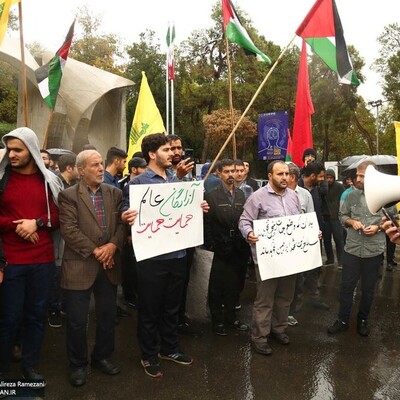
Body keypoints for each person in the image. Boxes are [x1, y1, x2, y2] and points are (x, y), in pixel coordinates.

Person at [121, 133, 208, 378]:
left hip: (178, 255)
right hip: (151, 258)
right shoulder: (138, 184)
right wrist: (125, 216)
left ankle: (169, 348)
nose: (173, 154)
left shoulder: (177, 179)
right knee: (150, 308)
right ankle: (148, 354)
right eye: (167, 150)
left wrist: (198, 206)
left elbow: (186, 208)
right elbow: (124, 209)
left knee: (172, 306)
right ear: (152, 154)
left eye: (172, 149)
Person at [0, 127, 62, 384]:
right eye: (9, 149)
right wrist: (17, 225)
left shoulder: (50, 181)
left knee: (36, 317)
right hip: (10, 262)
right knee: (8, 318)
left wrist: (37, 222)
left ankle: (30, 366)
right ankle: (2, 370)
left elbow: (59, 216)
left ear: (31, 151)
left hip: (43, 262)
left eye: (18, 150)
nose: (11, 154)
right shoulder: (2, 179)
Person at [59, 150, 126, 386]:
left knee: (107, 316)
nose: (100, 168)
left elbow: (122, 225)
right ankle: (77, 365)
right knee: (77, 320)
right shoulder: (68, 196)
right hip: (80, 265)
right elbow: (69, 230)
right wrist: (99, 250)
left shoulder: (115, 193)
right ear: (81, 170)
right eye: (94, 165)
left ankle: (102, 357)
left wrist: (112, 246)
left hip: (109, 265)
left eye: (101, 164)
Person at [239, 160, 302, 355]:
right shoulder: (257, 197)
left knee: (285, 297)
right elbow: (244, 221)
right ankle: (259, 337)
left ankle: (279, 329)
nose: (285, 177)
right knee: (265, 300)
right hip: (267, 260)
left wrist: (310, 233)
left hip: (289, 258)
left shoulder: (294, 197)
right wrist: (249, 233)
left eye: (287, 174)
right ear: (270, 176)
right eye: (280, 174)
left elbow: (300, 220)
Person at [328, 161, 385, 337]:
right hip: (352, 250)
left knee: (368, 290)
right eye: (358, 175)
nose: (357, 179)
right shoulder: (351, 195)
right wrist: (352, 222)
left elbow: (394, 220)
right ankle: (343, 320)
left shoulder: (386, 197)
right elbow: (341, 215)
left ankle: (362, 320)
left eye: (362, 176)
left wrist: (378, 228)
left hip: (374, 251)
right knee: (346, 287)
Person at [204, 159, 250, 336]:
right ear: (219, 173)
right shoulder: (211, 195)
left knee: (234, 285)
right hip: (219, 248)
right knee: (217, 287)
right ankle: (217, 321)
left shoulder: (241, 195)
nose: (231, 174)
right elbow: (207, 223)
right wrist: (211, 245)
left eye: (234, 171)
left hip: (238, 248)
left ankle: (231, 318)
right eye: (227, 171)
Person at [48, 153, 79, 329]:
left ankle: (65, 305)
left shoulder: (76, 185)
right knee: (56, 275)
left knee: (68, 274)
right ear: (69, 168)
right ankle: (54, 310)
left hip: (71, 241)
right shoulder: (54, 185)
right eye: (77, 167)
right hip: (57, 240)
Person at [298, 161, 330, 310]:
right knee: (298, 272)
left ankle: (314, 298)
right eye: (321, 176)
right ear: (312, 176)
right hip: (298, 238)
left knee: (314, 268)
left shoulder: (316, 190)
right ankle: (295, 304)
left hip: (316, 237)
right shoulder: (295, 189)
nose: (323, 179)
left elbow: (319, 211)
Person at [286, 162, 315, 326]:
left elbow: (310, 218)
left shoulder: (305, 195)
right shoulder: (272, 194)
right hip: (278, 248)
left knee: (296, 282)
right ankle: (276, 313)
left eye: (286, 174)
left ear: (293, 177)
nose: (282, 178)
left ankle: (289, 312)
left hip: (298, 247)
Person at [120, 156, 147, 309]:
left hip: (144, 234)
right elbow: (121, 211)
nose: (146, 170)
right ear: (134, 169)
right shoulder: (122, 185)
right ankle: (128, 295)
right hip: (129, 236)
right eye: (143, 168)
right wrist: (128, 234)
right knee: (129, 267)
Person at [322, 168, 345, 269]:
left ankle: (341, 261)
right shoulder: (322, 187)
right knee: (326, 240)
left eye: (331, 178)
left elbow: (344, 199)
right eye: (327, 178)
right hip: (326, 218)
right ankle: (330, 259)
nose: (329, 180)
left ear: (334, 178)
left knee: (338, 240)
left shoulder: (339, 187)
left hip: (336, 218)